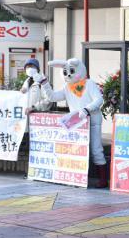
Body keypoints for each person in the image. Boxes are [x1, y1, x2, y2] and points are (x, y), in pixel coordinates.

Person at [43, 58, 108, 188]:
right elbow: (53, 97)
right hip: (78, 123)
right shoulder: (67, 87)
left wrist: (86, 109)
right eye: (66, 72)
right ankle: (79, 177)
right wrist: (44, 83)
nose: (69, 75)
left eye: (71, 71)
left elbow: (99, 99)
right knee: (78, 149)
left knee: (96, 149)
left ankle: (103, 178)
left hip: (93, 120)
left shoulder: (89, 84)